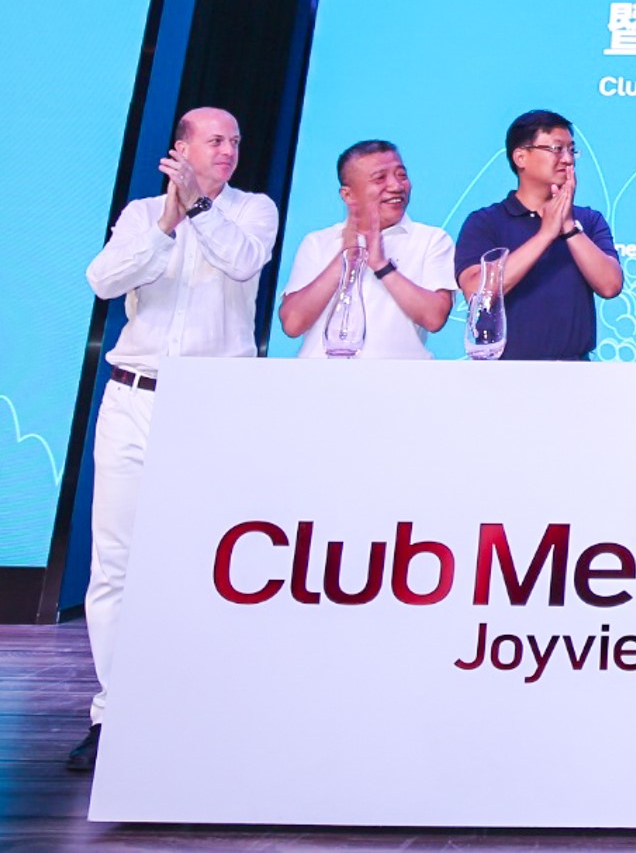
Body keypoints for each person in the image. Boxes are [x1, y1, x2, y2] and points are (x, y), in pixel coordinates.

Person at [72, 107, 278, 772]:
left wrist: (199, 208)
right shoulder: (141, 214)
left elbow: (243, 263)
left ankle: (195, 710)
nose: (228, 150)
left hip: (213, 402)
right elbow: (104, 281)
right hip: (133, 395)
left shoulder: (253, 210)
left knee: (204, 558)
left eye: (235, 141)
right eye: (214, 140)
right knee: (116, 562)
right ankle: (114, 714)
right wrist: (168, 218)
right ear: (180, 149)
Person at [453, 110, 622, 361]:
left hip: (575, 370)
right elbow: (477, 292)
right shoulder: (485, 222)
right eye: (556, 149)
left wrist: (568, 226)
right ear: (520, 157)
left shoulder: (588, 220)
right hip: (503, 371)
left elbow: (610, 285)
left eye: (572, 150)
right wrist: (545, 235)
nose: (568, 160)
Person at [277, 140, 456, 358]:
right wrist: (346, 258)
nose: (396, 186)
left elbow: (434, 317)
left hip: (397, 375)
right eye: (380, 178)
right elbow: (292, 323)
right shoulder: (318, 242)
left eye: (401, 175)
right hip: (319, 374)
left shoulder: (431, 240)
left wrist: (381, 266)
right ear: (348, 195)